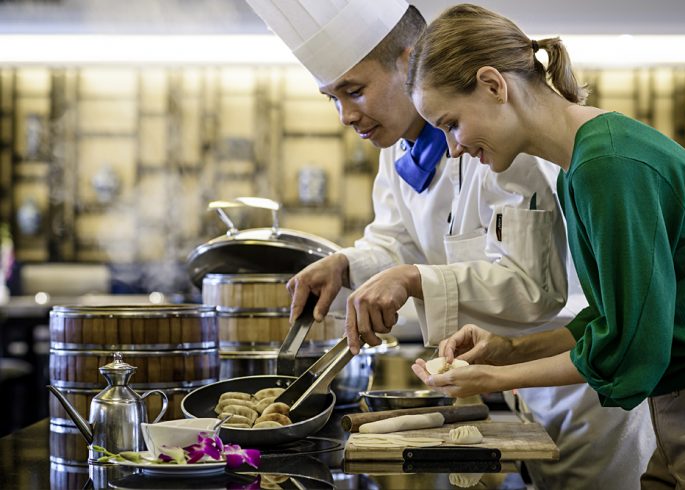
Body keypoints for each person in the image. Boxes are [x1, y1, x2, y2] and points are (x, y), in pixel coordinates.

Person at [246, 1, 656, 488]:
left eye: (354, 91)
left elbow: (531, 288)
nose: (345, 115)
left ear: (409, 59)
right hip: (510, 369)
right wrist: (346, 265)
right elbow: (396, 243)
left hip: (582, 390)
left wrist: (413, 279)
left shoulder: (509, 146)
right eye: (331, 98)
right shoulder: (400, 151)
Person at [406, 4, 685, 488]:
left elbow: (629, 348)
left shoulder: (608, 164)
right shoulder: (582, 166)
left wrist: (498, 380)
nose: (453, 147)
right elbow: (611, 319)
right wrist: (507, 351)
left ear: (494, 84)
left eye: (451, 122)